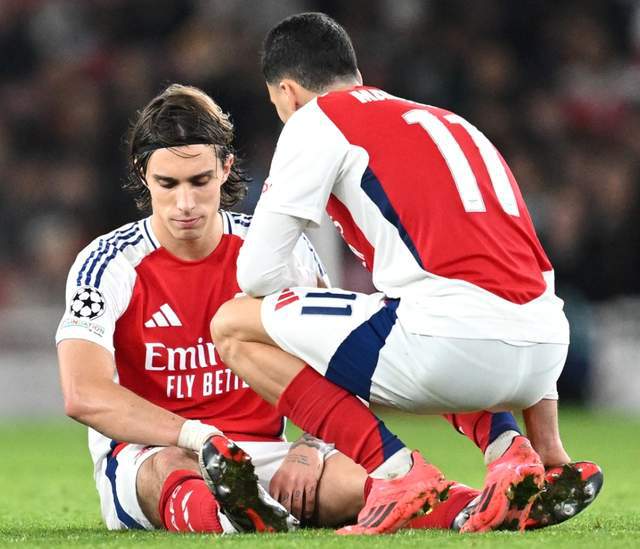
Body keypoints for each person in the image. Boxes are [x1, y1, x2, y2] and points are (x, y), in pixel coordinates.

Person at [210, 12, 602, 535]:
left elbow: (257, 273)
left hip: (448, 344)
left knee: (233, 324)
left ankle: (394, 471)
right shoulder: (450, 122)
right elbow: (526, 268)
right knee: (419, 309)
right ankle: (527, 455)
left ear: (287, 91)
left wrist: (301, 321)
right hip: (545, 353)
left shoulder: (316, 119)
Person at [55, 83, 370, 534]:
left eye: (199, 181)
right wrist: (198, 436)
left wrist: (311, 447)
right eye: (168, 183)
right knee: (170, 468)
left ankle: (470, 508)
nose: (185, 203)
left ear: (225, 168)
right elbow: (84, 393)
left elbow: (340, 359)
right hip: (153, 453)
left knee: (370, 484)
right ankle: (231, 518)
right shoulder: (108, 264)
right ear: (143, 174)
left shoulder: (277, 250)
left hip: (264, 454)